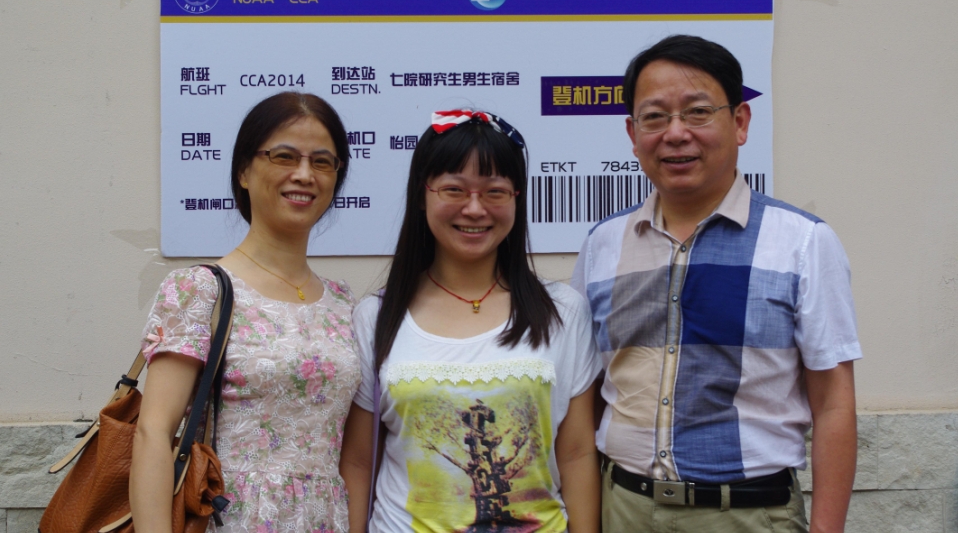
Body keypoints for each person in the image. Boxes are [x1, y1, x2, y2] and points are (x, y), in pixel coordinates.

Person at [572, 34, 861, 532]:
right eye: (655, 116)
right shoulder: (602, 245)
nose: (675, 133)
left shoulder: (803, 242)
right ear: (633, 133)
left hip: (749, 514)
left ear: (740, 122)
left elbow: (833, 403)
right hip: (625, 509)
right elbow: (589, 392)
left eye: (698, 112)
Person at [339, 110, 602, 533]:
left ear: (516, 197)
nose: (475, 209)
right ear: (422, 195)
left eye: (495, 191)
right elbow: (356, 461)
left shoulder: (563, 311)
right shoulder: (375, 317)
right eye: (454, 189)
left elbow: (576, 455)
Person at [130, 92, 361, 532]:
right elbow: (153, 433)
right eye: (284, 156)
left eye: (322, 162)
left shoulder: (344, 304)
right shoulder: (200, 289)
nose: (304, 174)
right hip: (232, 517)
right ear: (243, 171)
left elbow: (354, 453)